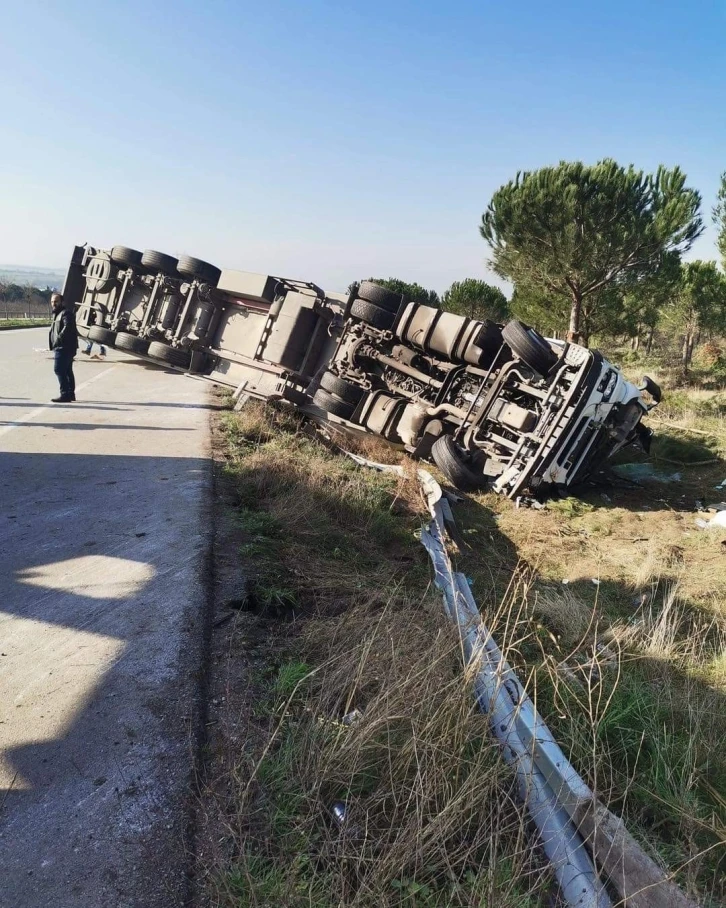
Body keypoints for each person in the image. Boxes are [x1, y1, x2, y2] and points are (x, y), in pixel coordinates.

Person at [49, 293, 78, 402]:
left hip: (64, 347)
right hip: (63, 347)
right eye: (52, 301)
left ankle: (65, 394)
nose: (54, 304)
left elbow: (67, 327)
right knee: (67, 371)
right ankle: (70, 394)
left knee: (59, 370)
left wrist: (58, 340)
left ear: (62, 302)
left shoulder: (66, 313)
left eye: (56, 301)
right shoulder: (57, 314)